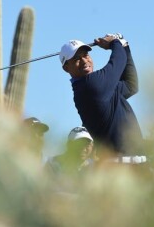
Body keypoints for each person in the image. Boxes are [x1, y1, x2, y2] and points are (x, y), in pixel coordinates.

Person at [59, 34, 146, 164]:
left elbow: (131, 85)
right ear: (66, 68)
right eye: (76, 58)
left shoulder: (98, 87)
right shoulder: (90, 85)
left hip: (132, 164)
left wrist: (125, 47)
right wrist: (115, 42)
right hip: (116, 166)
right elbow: (117, 62)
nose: (84, 61)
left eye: (86, 55)